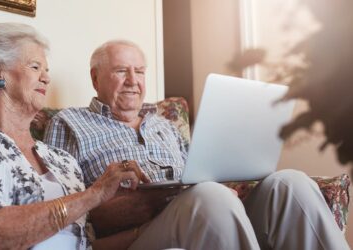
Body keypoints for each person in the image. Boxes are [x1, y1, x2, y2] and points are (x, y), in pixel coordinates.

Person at [44, 40, 349, 249]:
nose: (133, 80)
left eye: (139, 71)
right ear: (96, 78)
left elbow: (198, 174)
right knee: (210, 196)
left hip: (207, 212)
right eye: (121, 70)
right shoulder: (69, 123)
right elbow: (63, 213)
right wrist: (123, 204)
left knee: (289, 183)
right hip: (138, 234)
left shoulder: (164, 123)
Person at [0, 24, 149, 250]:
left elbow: (84, 244)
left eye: (47, 71)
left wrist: (150, 231)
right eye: (36, 67)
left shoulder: (62, 160)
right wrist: (95, 194)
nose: (47, 78)